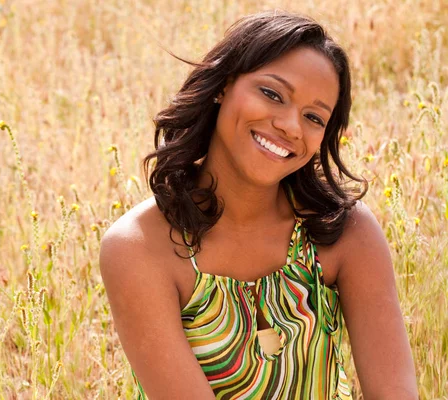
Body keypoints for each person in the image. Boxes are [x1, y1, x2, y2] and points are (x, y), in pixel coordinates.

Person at [99, 10, 418, 400]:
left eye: (314, 117)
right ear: (223, 85)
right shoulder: (139, 248)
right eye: (272, 94)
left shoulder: (345, 231)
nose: (290, 126)